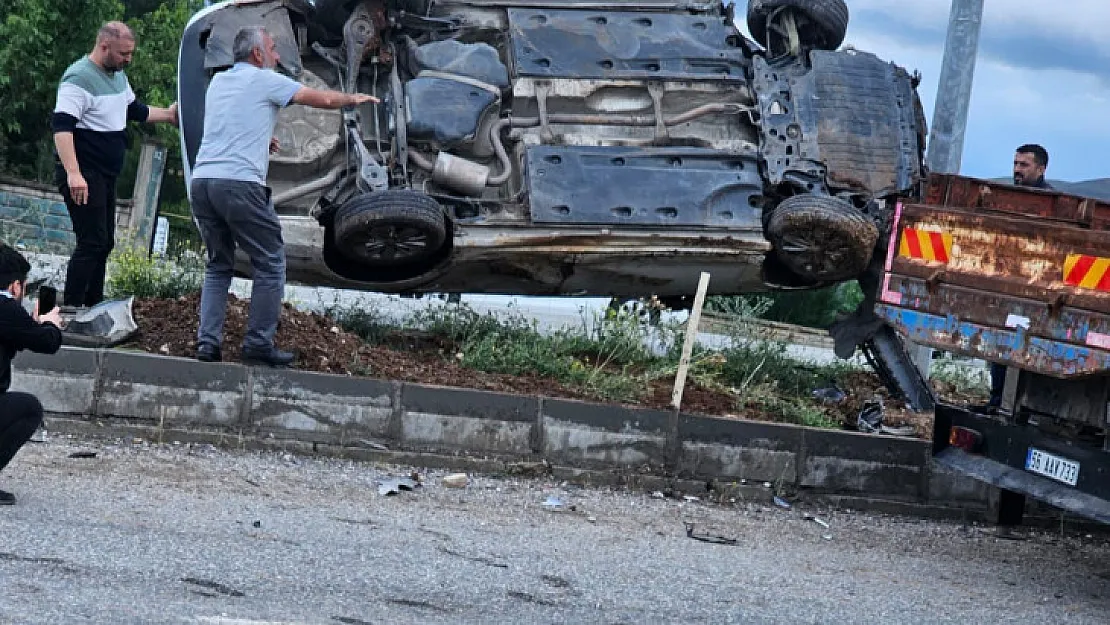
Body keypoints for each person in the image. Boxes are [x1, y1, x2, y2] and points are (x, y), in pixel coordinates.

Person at [190, 25, 377, 367]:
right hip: (239, 184)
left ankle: (208, 345)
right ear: (258, 54)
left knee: (218, 265)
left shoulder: (219, 82)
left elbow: (230, 121)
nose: (277, 56)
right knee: (271, 261)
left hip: (203, 182)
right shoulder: (265, 80)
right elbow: (317, 98)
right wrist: (353, 98)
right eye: (274, 49)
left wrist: (261, 139)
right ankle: (258, 345)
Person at [52, 21, 179, 309]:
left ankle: (93, 304)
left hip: (105, 174)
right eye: (124, 54)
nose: (128, 59)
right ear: (104, 46)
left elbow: (134, 109)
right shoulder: (78, 78)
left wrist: (170, 116)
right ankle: (73, 308)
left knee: (104, 242)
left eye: (130, 53)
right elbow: (62, 127)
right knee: (91, 241)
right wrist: (73, 173)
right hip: (85, 173)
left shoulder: (117, 76)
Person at [984, 144, 1054, 411]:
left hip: (1036, 292)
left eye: (1024, 165)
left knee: (1028, 350)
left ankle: (1020, 405)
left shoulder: (1052, 205)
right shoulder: (1006, 199)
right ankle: (997, 401)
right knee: (999, 347)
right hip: (1006, 287)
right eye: (1015, 164)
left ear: (1041, 168)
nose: (1017, 170)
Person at [0, 244, 64, 505]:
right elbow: (48, 342)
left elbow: (14, 334)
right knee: (28, 409)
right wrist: (51, 324)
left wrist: (31, 326)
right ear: (16, 287)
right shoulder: (6, 308)